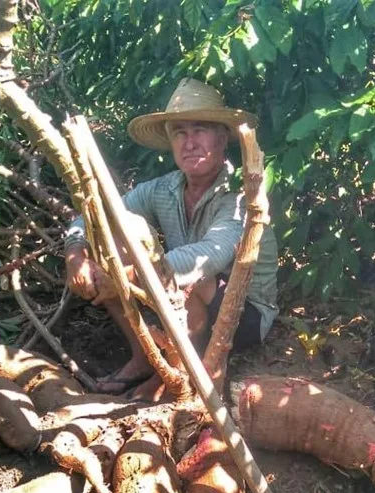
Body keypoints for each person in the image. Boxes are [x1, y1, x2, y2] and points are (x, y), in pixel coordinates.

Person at [63, 78, 279, 393]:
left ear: (222, 139)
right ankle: (143, 358)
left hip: (245, 313)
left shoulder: (240, 196)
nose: (189, 142)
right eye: (180, 133)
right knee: (107, 244)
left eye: (199, 131)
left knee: (192, 278)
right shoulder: (165, 188)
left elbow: (210, 255)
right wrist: (76, 253)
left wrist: (128, 276)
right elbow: (97, 217)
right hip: (180, 298)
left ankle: (180, 376)